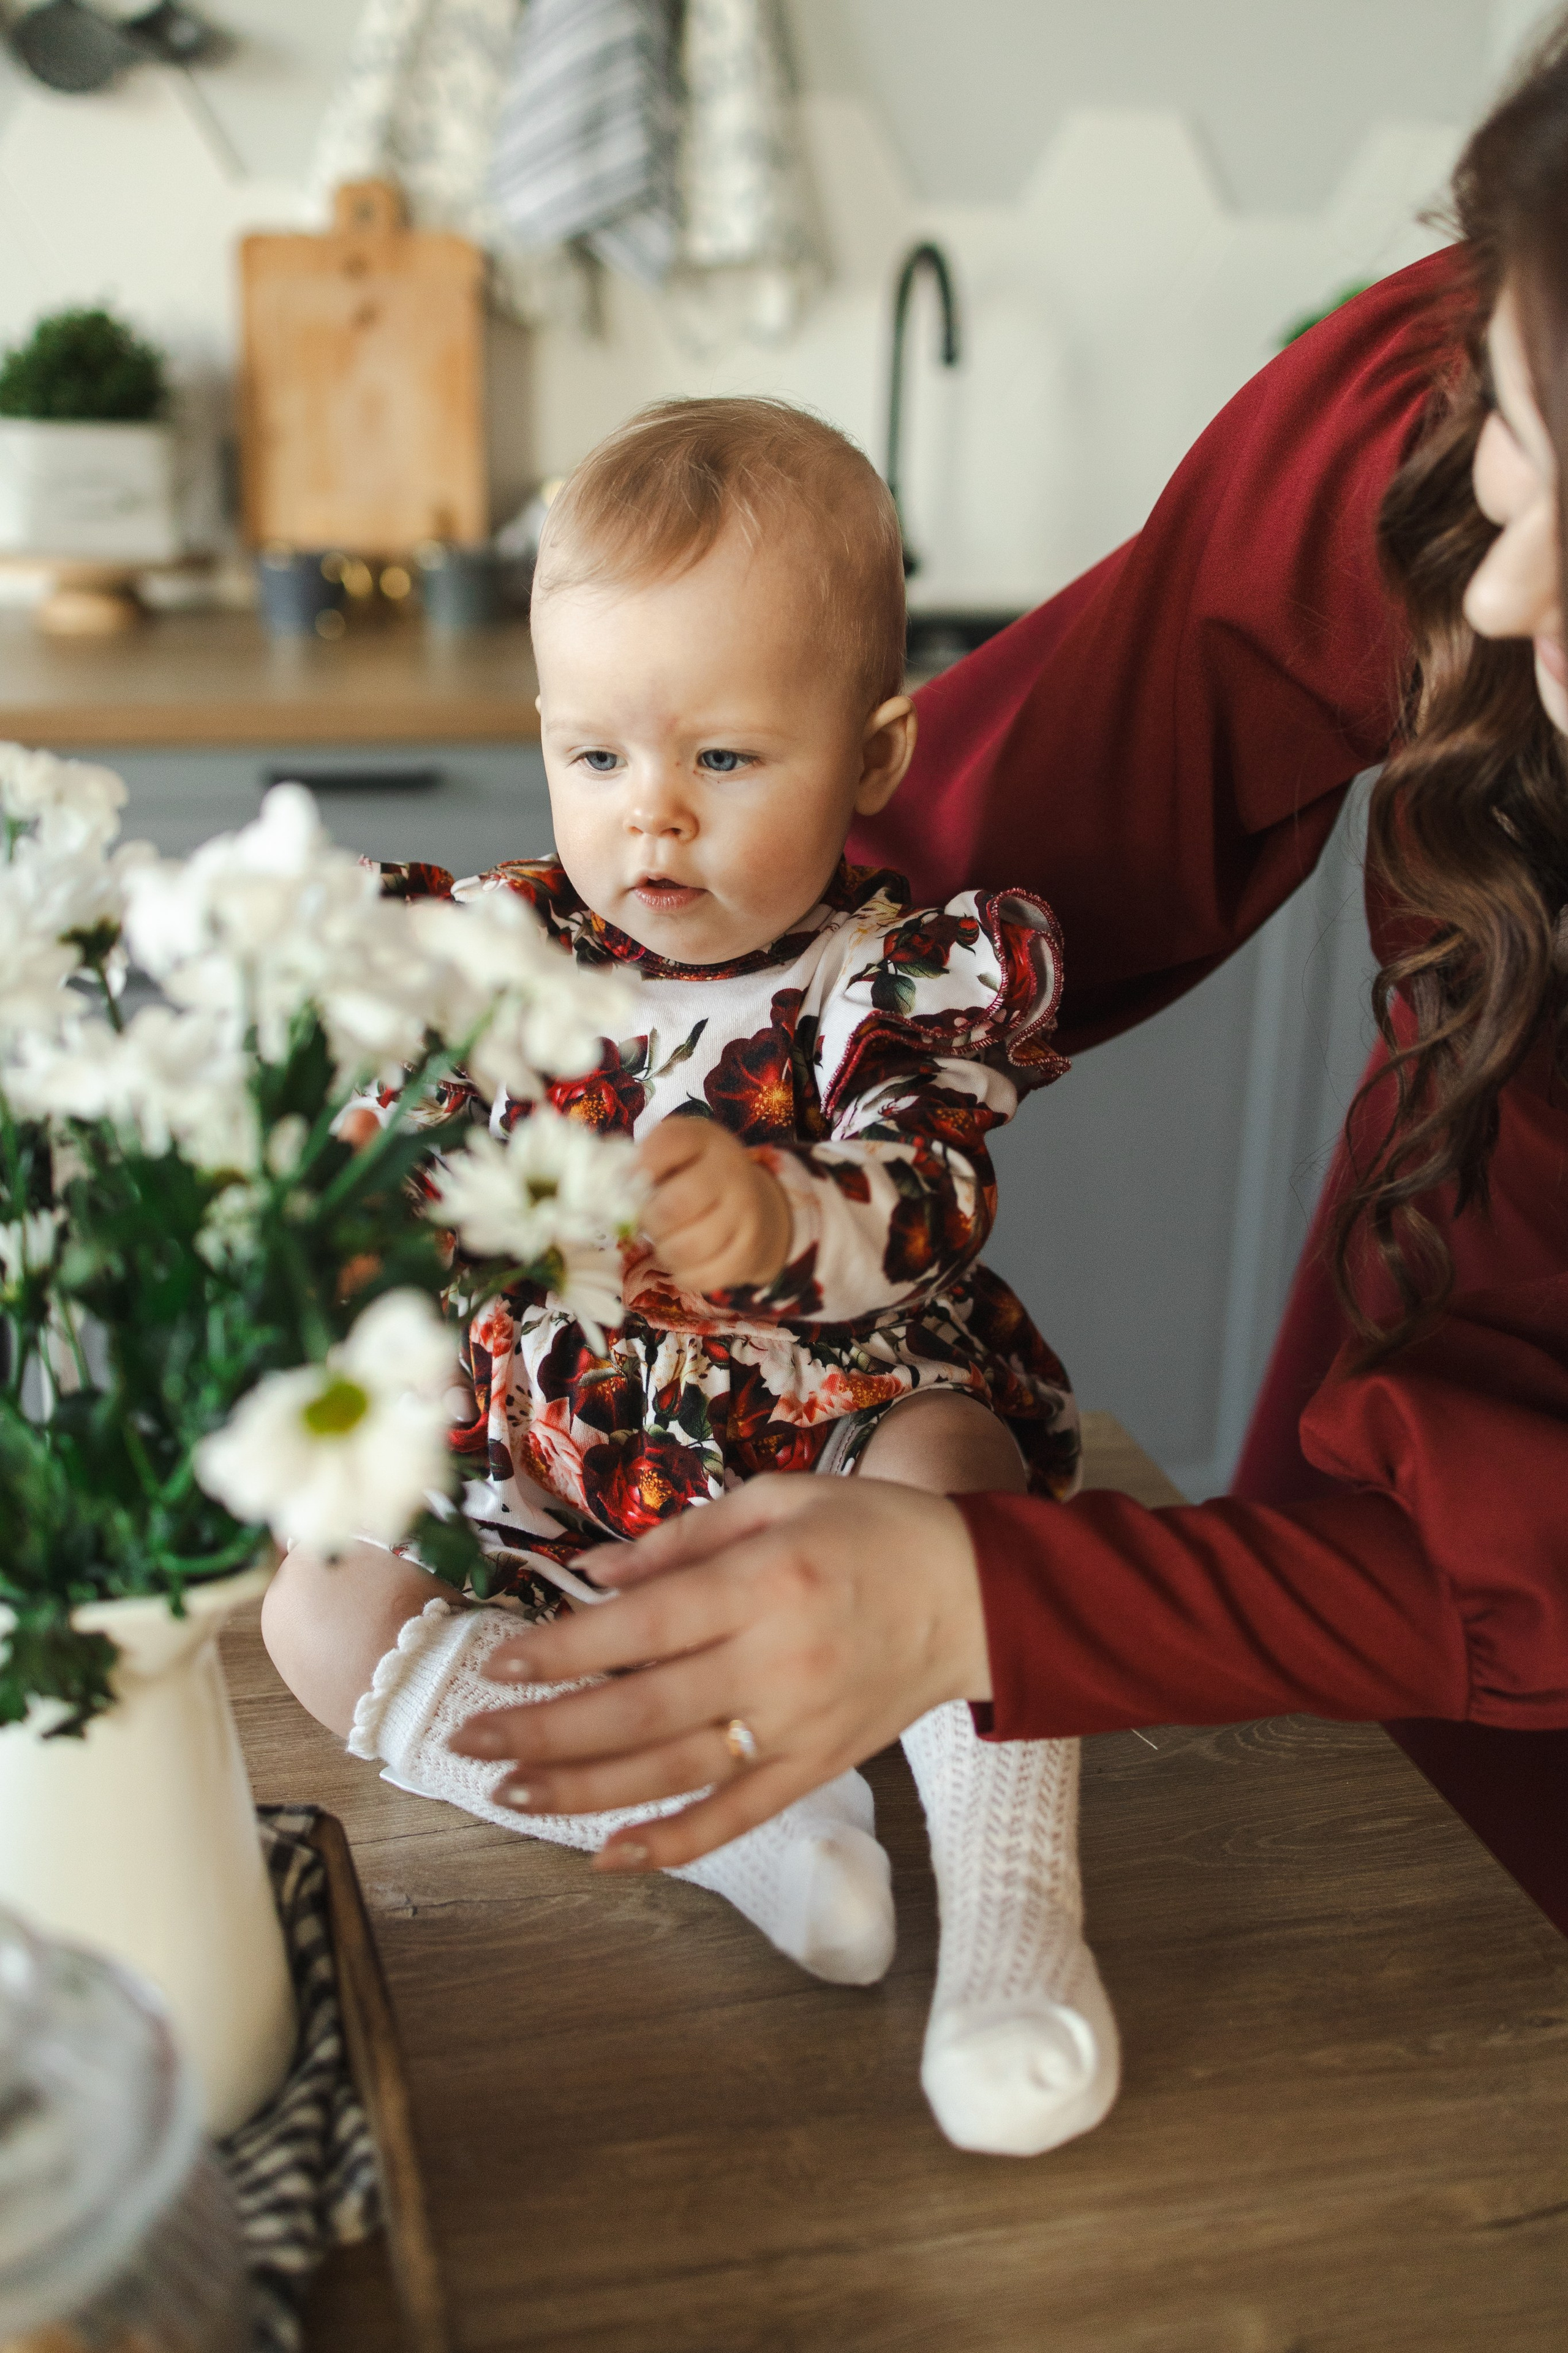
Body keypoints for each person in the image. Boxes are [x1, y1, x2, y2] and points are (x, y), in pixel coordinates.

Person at [431, 22, 1568, 1933]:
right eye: (1523, 456)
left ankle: (1008, 1931)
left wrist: (981, 1591)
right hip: (1357, 1550)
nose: (1510, 587)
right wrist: (634, 1026)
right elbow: (1011, 807)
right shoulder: (1461, 378)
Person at [263, 398, 1123, 2158]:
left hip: (834, 1443)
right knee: (310, 1597)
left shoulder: (893, 982)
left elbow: (935, 1191)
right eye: (594, 759)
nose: (648, 818)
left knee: (966, 1476)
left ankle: (1016, 1920)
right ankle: (723, 1825)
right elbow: (361, 1141)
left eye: (724, 761)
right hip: (565, 1490)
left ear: (873, 753)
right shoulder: (493, 959)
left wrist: (783, 1223)